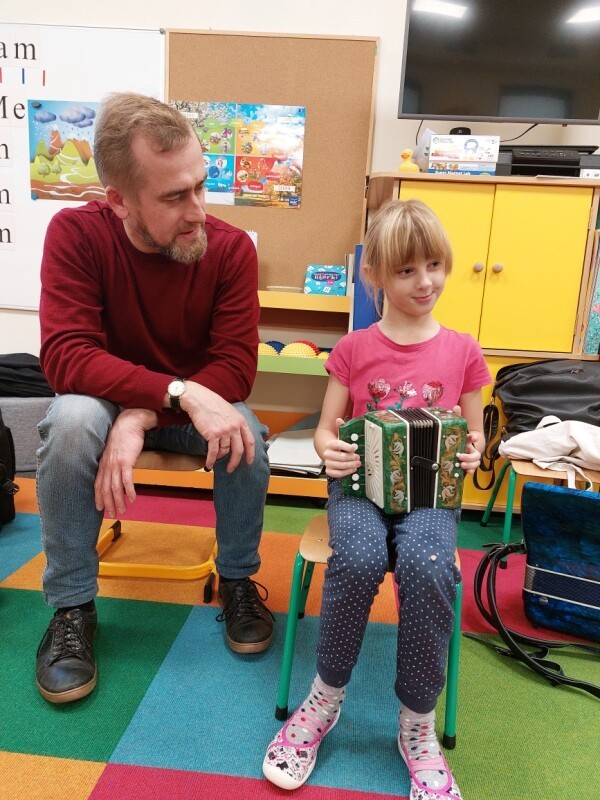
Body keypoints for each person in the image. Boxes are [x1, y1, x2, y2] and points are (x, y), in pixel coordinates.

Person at [35, 92, 274, 705]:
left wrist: (143, 413)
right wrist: (172, 391)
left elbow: (237, 367)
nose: (198, 211)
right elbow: (65, 357)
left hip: (181, 402)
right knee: (71, 419)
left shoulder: (230, 249)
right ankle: (72, 608)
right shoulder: (75, 235)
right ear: (118, 200)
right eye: (173, 197)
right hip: (123, 400)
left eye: (201, 185)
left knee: (244, 429)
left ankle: (238, 580)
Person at [263, 199, 491, 799]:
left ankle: (417, 722)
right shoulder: (354, 348)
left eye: (435, 265)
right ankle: (325, 696)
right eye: (407, 270)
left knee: (429, 564)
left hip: (431, 497)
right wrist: (329, 451)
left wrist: (472, 453)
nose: (426, 282)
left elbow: (474, 434)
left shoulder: (464, 350)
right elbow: (325, 429)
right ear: (377, 276)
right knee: (361, 558)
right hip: (360, 489)